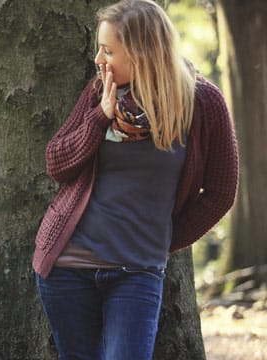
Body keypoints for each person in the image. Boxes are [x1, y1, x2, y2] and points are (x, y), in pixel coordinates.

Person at [32, 0, 238, 359]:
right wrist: (100, 119)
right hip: (68, 268)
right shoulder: (101, 92)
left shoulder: (202, 102)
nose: (99, 59)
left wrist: (164, 240)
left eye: (108, 50)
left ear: (142, 51)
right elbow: (57, 163)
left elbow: (221, 191)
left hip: (137, 273)